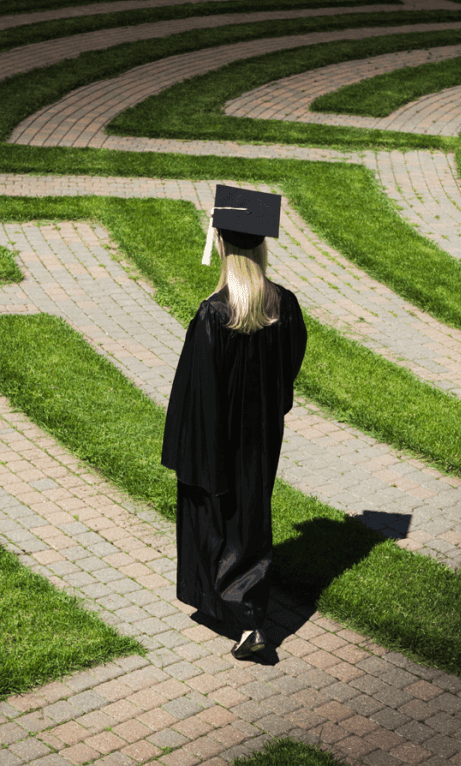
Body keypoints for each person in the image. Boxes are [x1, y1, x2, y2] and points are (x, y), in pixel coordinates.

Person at [161, 185, 307, 660]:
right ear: (262, 247)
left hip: (215, 439)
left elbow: (195, 389)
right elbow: (288, 369)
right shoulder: (283, 306)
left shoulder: (213, 314)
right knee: (251, 517)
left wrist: (190, 446)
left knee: (215, 519)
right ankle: (247, 611)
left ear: (220, 244)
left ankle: (245, 619)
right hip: (261, 437)